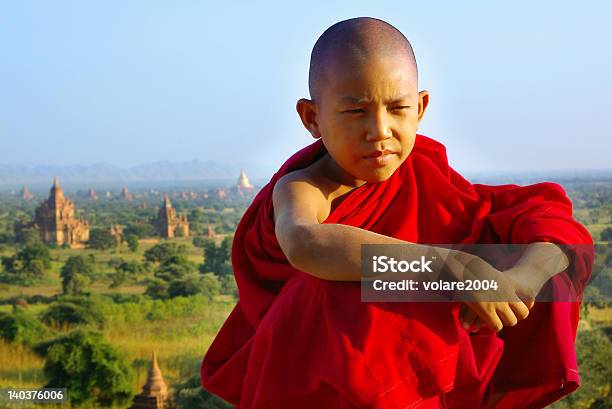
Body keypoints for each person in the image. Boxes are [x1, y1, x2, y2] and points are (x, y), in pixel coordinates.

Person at [201, 17, 594, 409]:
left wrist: (521, 281)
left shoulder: (429, 178)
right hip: (334, 386)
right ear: (312, 118)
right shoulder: (307, 187)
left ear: (420, 108)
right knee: (338, 286)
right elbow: (304, 241)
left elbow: (554, 229)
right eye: (355, 112)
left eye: (398, 108)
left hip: (433, 385)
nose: (380, 130)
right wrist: (448, 269)